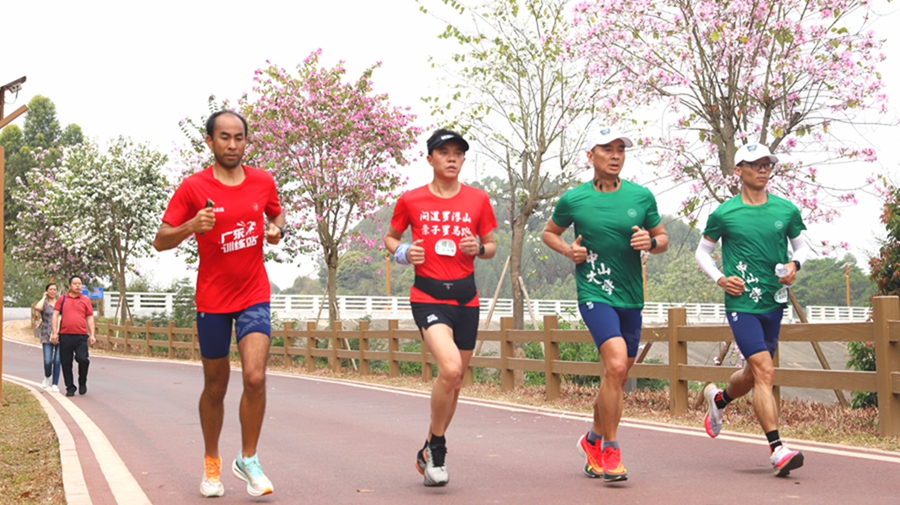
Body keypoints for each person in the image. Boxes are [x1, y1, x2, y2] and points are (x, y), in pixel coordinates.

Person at [153, 110, 286, 498]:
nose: (232, 145)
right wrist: (191, 226)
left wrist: (276, 229)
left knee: (255, 377)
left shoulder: (262, 181)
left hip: (253, 294)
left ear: (246, 141)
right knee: (216, 386)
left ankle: (249, 459)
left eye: (239, 137)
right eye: (224, 137)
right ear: (210, 141)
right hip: (212, 299)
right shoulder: (193, 187)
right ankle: (212, 461)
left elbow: (276, 212)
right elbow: (160, 239)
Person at [542, 127, 668, 483]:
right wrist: (568, 250)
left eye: (620, 150)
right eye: (607, 149)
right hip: (595, 293)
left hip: (631, 296)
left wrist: (650, 242)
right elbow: (549, 232)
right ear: (590, 156)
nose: (615, 155)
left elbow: (662, 238)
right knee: (615, 364)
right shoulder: (574, 199)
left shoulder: (641, 196)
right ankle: (610, 450)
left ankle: (592, 438)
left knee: (618, 374)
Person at [383, 128, 497, 487]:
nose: (452, 158)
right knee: (449, 369)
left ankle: (430, 443)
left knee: (456, 382)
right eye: (444, 152)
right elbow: (391, 237)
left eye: (458, 153)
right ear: (430, 158)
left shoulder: (478, 199)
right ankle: (438, 448)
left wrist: (478, 249)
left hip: (466, 299)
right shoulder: (411, 200)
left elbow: (491, 245)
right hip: (428, 296)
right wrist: (404, 253)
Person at [694, 142, 808, 477]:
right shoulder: (724, 213)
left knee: (752, 374)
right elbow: (702, 252)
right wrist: (720, 278)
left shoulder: (786, 210)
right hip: (741, 303)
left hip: (774, 302)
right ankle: (777, 449)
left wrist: (795, 265)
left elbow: (802, 247)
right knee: (765, 371)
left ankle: (719, 400)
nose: (762, 169)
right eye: (755, 164)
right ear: (738, 170)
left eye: (767, 164)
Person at [51, 276, 96, 397]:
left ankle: (82, 381)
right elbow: (55, 315)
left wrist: (92, 334)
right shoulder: (62, 299)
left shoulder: (86, 300)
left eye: (79, 283)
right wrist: (54, 332)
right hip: (65, 335)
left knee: (83, 359)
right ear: (70, 286)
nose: (77, 285)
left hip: (81, 336)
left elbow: (90, 317)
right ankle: (70, 387)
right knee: (66, 362)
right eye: (75, 283)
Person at [35, 283, 61, 393]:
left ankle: (55, 384)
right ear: (46, 291)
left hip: (60, 334)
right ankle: (47, 376)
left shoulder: (60, 303)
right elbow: (37, 307)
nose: (53, 291)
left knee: (57, 360)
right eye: (50, 289)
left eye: (54, 289)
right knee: (47, 360)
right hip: (46, 334)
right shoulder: (44, 304)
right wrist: (43, 297)